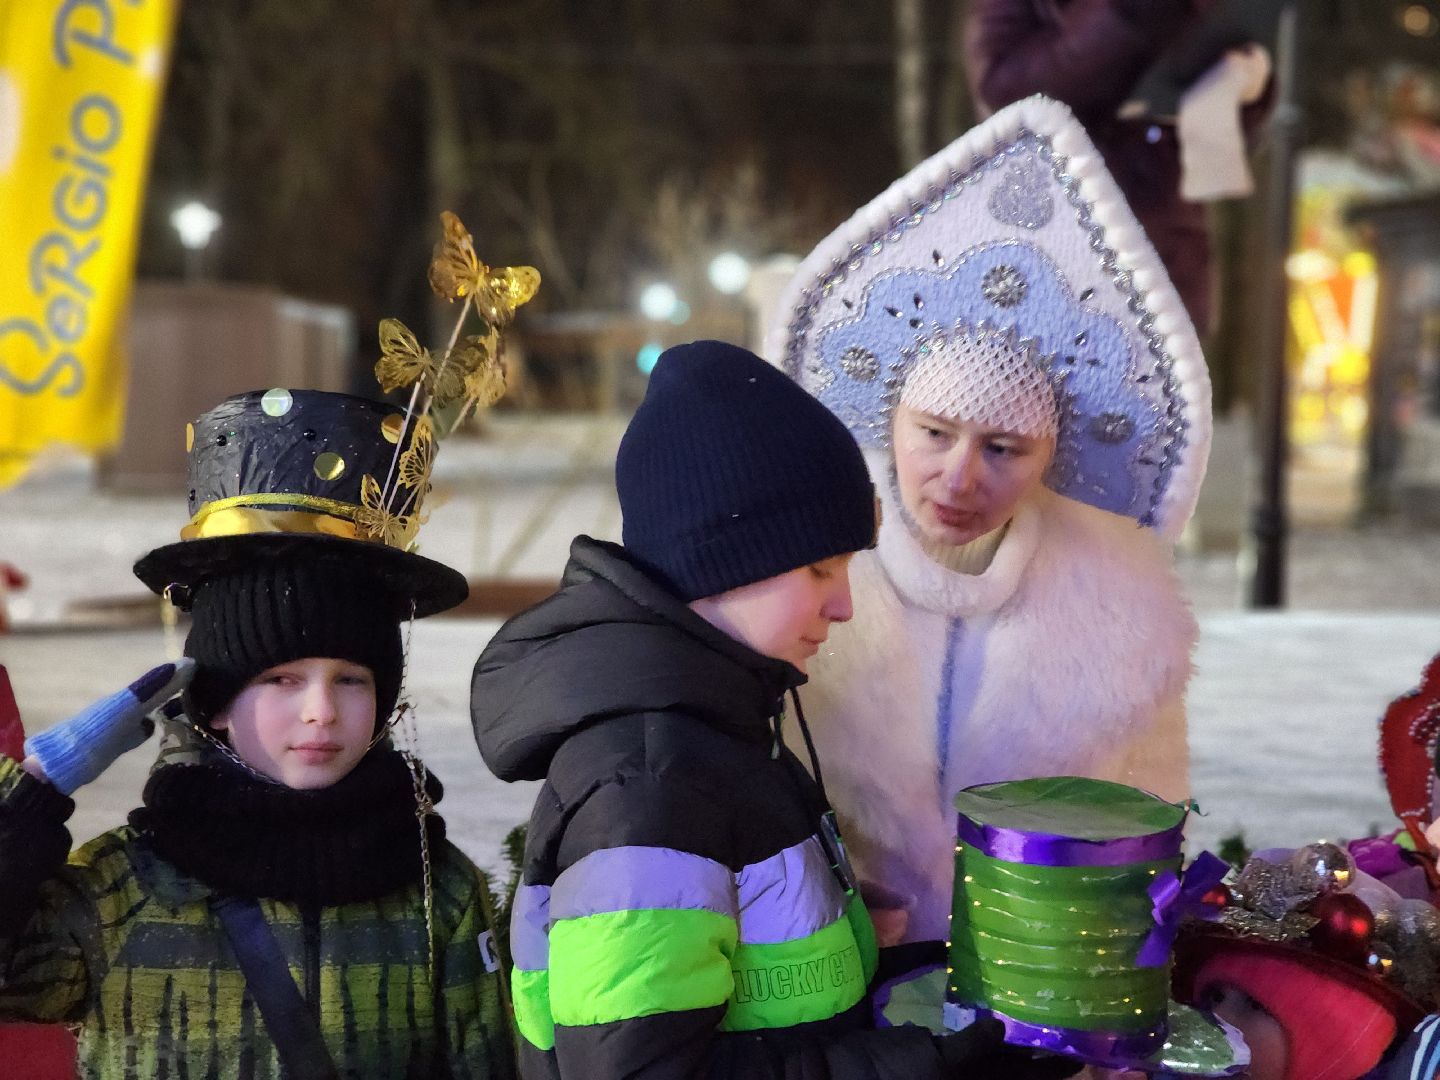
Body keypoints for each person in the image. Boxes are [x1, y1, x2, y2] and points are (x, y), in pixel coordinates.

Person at [471, 340, 1080, 1080]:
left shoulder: (724, 726)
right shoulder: (650, 784)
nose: (844, 605)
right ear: (724, 562)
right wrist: (928, 1065)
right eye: (820, 569)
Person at [765, 95, 1210, 952]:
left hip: (1033, 983)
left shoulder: (1127, 617)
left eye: (1004, 449)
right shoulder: (802, 572)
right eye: (934, 434)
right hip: (834, 974)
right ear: (890, 418)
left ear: (1052, 457)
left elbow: (1147, 831)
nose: (960, 476)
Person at [0, 389, 515, 1079]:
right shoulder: (120, 891)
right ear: (212, 700)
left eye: (351, 680)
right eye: (280, 679)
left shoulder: (437, 894)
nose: (321, 711)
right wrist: (32, 792)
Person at [963, 0, 1273, 335]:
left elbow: (1215, 140)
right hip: (1055, 267)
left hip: (1166, 274)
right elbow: (1009, 93)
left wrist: (1248, 89)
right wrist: (1128, 14)